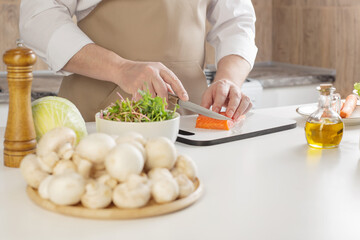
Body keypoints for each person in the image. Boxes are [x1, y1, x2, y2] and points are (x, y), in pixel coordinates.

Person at [19, 0, 258, 122]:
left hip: (190, 121)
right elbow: (38, 19)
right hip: (97, 122)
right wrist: (120, 68)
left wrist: (228, 80)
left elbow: (237, 21)